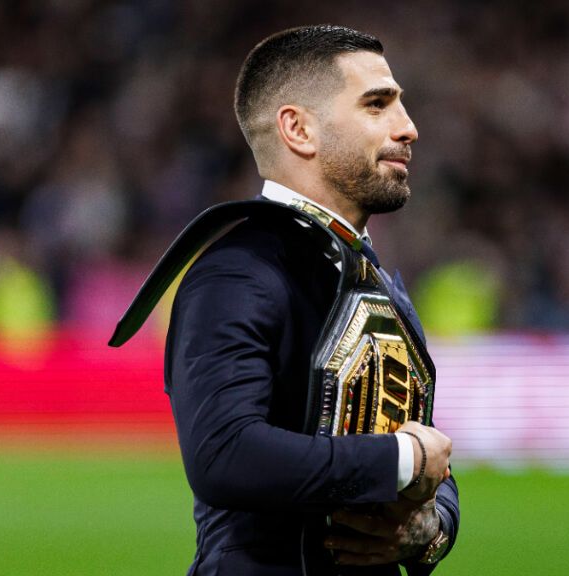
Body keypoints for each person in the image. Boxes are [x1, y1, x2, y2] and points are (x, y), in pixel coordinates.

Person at [164, 25, 459, 575]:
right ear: (298, 129)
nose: (409, 128)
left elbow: (428, 454)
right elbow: (222, 454)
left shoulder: (377, 282)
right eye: (378, 105)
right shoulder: (237, 272)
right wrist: (402, 460)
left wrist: (431, 529)